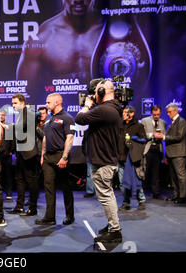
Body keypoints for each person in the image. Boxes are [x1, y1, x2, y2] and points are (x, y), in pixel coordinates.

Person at [16, 0, 103, 91]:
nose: (78, 0)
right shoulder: (42, 37)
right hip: (60, 103)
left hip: (103, 104)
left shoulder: (111, 29)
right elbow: (27, 93)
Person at [75, 80, 123, 243]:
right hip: (105, 159)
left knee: (106, 196)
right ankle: (112, 225)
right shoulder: (111, 108)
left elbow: (80, 118)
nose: (94, 95)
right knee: (108, 195)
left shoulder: (104, 110)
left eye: (96, 92)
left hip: (103, 161)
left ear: (102, 92)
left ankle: (115, 231)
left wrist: (88, 105)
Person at [35, 93, 75, 226]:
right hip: (48, 158)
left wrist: (64, 157)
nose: (46, 105)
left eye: (48, 102)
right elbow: (45, 138)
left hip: (60, 156)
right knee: (48, 188)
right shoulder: (49, 119)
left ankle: (70, 216)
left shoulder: (67, 118)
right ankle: (50, 217)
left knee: (65, 187)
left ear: (57, 102)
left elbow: (69, 138)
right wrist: (42, 156)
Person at [9, 94, 39, 217]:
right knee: (19, 180)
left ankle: (33, 208)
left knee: (31, 181)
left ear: (22, 102)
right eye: (12, 103)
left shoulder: (30, 112)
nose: (13, 106)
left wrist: (8, 126)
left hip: (29, 153)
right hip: (21, 152)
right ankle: (19, 206)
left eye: (15, 103)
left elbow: (21, 128)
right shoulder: (21, 114)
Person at [154, 103, 186, 204]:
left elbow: (179, 137)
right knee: (173, 176)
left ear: (176, 111)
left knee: (180, 175)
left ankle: (183, 196)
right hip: (171, 153)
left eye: (170, 112)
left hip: (179, 153)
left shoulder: (182, 121)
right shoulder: (173, 122)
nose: (168, 114)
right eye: (167, 112)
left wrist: (163, 137)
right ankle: (176, 195)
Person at [118, 106, 147, 211]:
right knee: (123, 183)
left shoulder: (138, 126)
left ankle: (141, 200)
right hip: (120, 157)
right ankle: (126, 202)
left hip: (132, 158)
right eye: (123, 112)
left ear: (132, 113)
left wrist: (133, 139)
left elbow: (144, 139)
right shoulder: (119, 125)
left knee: (136, 180)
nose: (124, 114)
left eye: (126, 112)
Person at [140, 105, 167, 199]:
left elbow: (165, 135)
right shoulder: (144, 121)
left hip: (158, 149)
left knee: (156, 172)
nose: (156, 116)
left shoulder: (163, 122)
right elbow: (142, 134)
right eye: (155, 114)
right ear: (151, 113)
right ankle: (141, 192)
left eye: (158, 114)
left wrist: (161, 135)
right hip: (148, 148)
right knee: (145, 171)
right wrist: (152, 134)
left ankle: (156, 192)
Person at [0, 109, 14, 200]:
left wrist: (12, 151)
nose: (1, 116)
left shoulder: (9, 126)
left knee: (8, 174)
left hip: (7, 154)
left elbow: (12, 139)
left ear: (5, 116)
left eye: (3, 115)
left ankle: (9, 192)